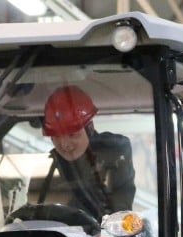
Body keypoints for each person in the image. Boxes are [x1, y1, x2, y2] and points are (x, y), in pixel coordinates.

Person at [34, 85, 136, 221]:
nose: (64, 144)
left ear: (90, 128)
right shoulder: (45, 168)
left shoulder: (113, 155)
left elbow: (119, 213)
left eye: (72, 134)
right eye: (56, 136)